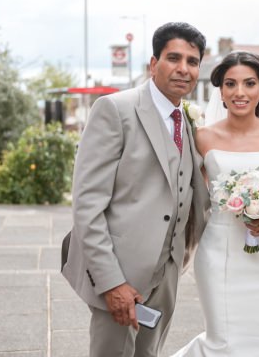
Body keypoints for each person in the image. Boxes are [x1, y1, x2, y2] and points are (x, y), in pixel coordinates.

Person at [61, 22, 210, 357]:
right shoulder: (116, 109)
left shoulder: (185, 120)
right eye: (174, 58)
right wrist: (111, 282)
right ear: (153, 64)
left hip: (167, 275)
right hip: (119, 274)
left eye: (192, 61)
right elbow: (87, 204)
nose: (183, 68)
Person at [170, 51, 259, 357]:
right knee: (221, 341)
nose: (240, 92)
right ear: (221, 92)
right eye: (230, 84)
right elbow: (188, 193)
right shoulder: (201, 137)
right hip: (218, 251)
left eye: (249, 83)